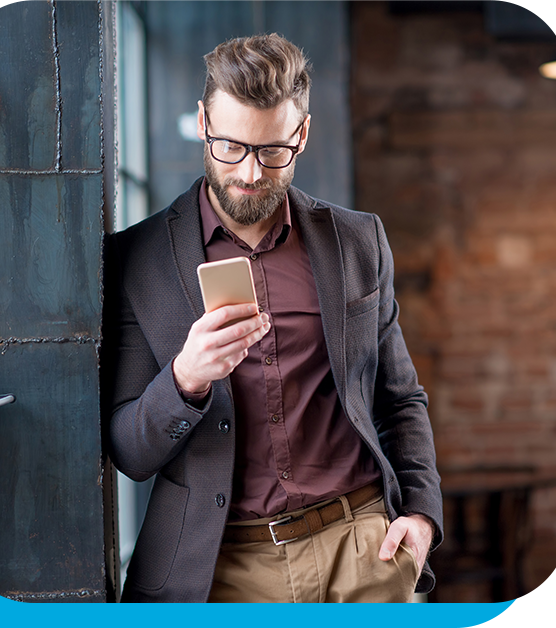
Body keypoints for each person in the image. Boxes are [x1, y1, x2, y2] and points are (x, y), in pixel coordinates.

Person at [101, 33, 443, 603]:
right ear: (204, 124)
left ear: (301, 134)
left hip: (363, 551)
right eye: (231, 147)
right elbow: (129, 453)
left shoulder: (360, 241)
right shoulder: (137, 261)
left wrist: (422, 514)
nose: (251, 173)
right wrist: (185, 379)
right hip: (218, 569)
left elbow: (400, 398)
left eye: (272, 151)